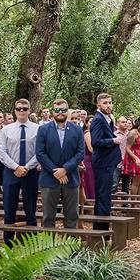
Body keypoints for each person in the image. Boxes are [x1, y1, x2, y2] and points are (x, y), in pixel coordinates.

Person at [36, 98, 86, 228]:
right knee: (48, 217)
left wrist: (65, 169)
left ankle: (70, 248)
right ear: (53, 111)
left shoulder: (76, 130)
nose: (60, 113)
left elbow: (80, 153)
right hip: (49, 178)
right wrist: (55, 171)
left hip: (71, 178)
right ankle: (49, 247)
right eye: (57, 110)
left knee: (72, 216)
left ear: (67, 111)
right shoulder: (43, 129)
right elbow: (40, 153)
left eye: (63, 110)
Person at [0, 99, 40, 243]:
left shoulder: (37, 128)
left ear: (29, 110)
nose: (21, 111)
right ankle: (8, 243)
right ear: (14, 111)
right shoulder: (6, 130)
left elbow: (39, 151)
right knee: (9, 209)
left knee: (31, 209)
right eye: (18, 109)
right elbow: (2, 152)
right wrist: (16, 167)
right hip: (11, 172)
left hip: (30, 172)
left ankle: (31, 243)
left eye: (24, 108)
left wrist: (27, 167)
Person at [88, 93, 122, 216]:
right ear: (98, 104)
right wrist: (113, 140)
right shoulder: (98, 119)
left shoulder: (107, 118)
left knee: (105, 194)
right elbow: (95, 141)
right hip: (103, 163)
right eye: (105, 103)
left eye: (110, 102)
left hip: (108, 162)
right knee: (103, 195)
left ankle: (102, 227)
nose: (108, 105)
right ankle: (101, 227)